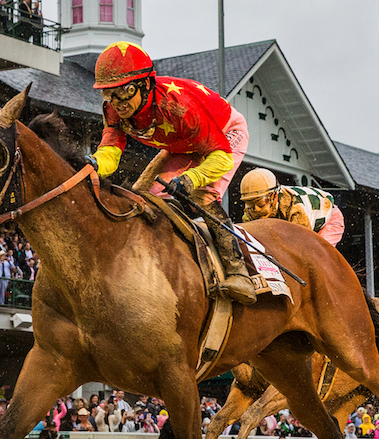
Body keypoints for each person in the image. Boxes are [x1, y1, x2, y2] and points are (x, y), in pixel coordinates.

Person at [87, 41, 256, 303]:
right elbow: (111, 150)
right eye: (109, 94)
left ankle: (239, 273)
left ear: (145, 85)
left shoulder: (178, 107)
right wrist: (95, 164)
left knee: (203, 195)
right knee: (140, 196)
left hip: (224, 135)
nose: (118, 103)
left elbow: (220, 157)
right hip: (182, 144)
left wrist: (191, 180)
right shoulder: (113, 110)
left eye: (125, 92)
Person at [239, 168, 345, 247]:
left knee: (318, 254)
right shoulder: (249, 212)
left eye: (260, 203)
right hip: (299, 218)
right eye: (250, 203)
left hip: (329, 217)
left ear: (274, 196)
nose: (256, 209)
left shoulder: (295, 208)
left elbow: (301, 246)